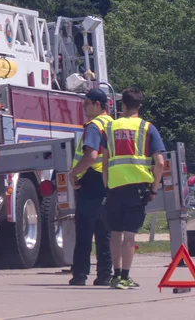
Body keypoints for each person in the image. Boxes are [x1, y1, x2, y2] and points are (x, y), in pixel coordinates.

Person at [102, 87, 165, 290]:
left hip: (114, 187)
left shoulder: (110, 127)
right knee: (129, 235)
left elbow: (104, 160)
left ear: (123, 105)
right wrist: (154, 188)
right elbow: (161, 163)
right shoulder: (147, 128)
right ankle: (125, 277)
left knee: (115, 232)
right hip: (137, 189)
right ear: (140, 106)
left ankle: (116, 275)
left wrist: (107, 184)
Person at [68, 88, 113, 286]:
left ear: (97, 104)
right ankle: (105, 274)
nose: (83, 107)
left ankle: (79, 274)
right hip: (109, 180)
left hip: (92, 179)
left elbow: (91, 156)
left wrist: (74, 173)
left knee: (85, 229)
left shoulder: (94, 126)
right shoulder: (113, 124)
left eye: (86, 103)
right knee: (104, 230)